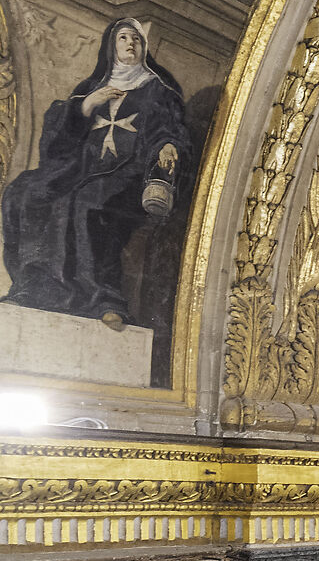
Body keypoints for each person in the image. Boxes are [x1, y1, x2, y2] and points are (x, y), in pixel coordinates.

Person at [1, 17, 193, 329]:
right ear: (111, 46)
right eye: (123, 38)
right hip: (80, 169)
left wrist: (167, 145)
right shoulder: (91, 88)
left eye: (136, 39)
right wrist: (87, 106)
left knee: (86, 200)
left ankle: (103, 299)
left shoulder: (157, 90)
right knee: (24, 191)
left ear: (144, 47)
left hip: (127, 174)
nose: (130, 44)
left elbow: (168, 128)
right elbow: (57, 146)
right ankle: (37, 285)